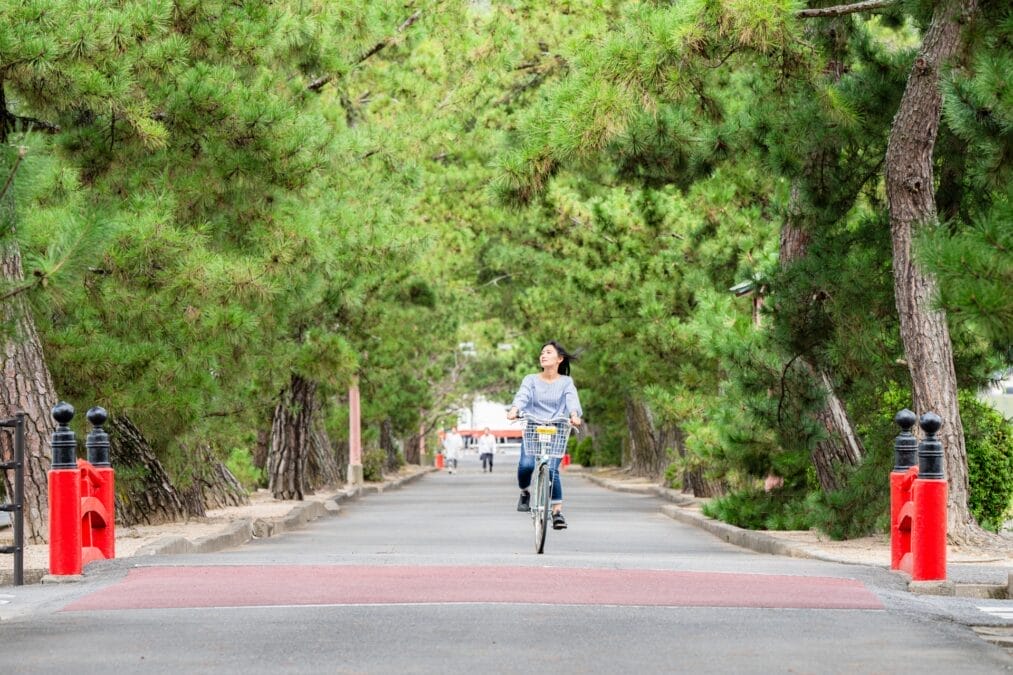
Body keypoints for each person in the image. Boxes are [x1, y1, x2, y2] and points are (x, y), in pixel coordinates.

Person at [506, 340, 582, 530]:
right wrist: (514, 409)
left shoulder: (566, 382)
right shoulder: (530, 379)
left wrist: (574, 415)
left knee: (553, 471)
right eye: (542, 353)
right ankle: (525, 492)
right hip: (533, 428)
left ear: (559, 359)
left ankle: (557, 512)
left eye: (548, 352)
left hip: (556, 430)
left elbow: (571, 399)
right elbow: (522, 395)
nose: (543, 355)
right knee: (526, 466)